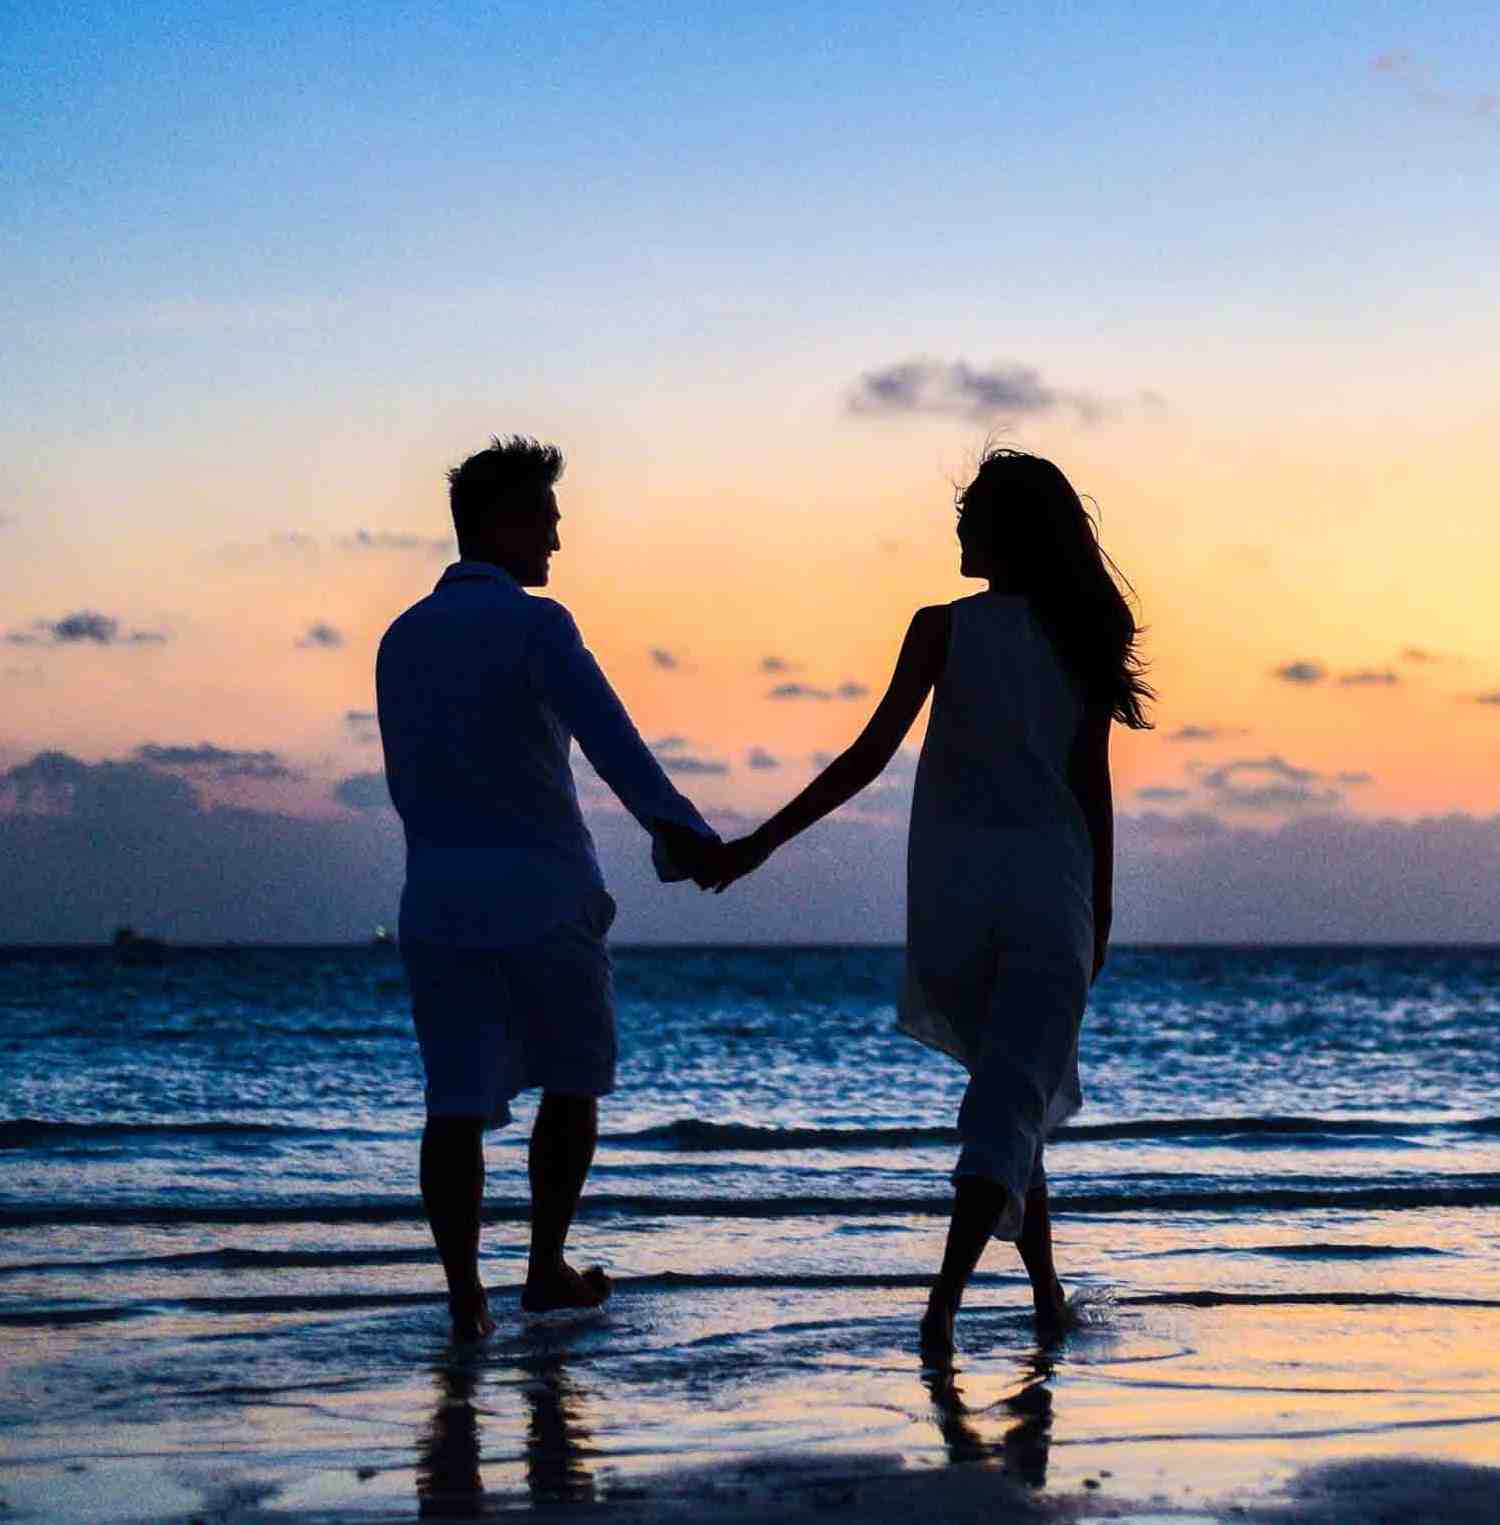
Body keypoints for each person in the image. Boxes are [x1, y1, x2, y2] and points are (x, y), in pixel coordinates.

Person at [711, 448, 1152, 1361]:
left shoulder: (940, 628)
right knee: (1006, 1104)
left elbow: (867, 757)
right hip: (1050, 898)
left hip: (955, 904)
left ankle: (1045, 1293)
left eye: (969, 514)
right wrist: (1100, 915)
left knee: (1009, 1096)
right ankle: (942, 1309)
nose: (956, 528)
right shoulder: (1077, 637)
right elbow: (1091, 790)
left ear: (1006, 531)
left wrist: (761, 842)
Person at [377, 435, 721, 1341]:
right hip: (544, 894)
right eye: (547, 520)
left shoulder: (399, 639)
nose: (557, 543)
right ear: (499, 521)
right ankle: (542, 1267)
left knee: (454, 1102)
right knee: (573, 1081)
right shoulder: (539, 625)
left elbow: (406, 777)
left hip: (438, 900)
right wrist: (682, 834)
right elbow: (612, 741)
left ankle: (465, 1296)